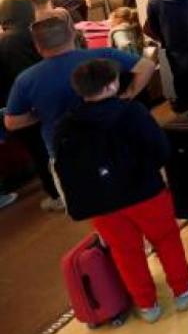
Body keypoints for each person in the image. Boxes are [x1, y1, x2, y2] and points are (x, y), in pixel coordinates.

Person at [55, 59, 188, 322]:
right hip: (144, 192)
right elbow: (161, 150)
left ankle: (147, 305)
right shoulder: (132, 112)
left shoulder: (66, 126)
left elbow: (64, 169)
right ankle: (183, 291)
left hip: (101, 205)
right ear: (112, 83)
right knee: (166, 240)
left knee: (125, 252)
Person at [5, 16, 155, 209]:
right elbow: (147, 66)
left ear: (37, 46)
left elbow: (12, 122)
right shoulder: (102, 55)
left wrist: (40, 115)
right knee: (138, 196)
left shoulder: (26, 79)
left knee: (94, 208)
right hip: (116, 140)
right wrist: (128, 94)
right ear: (71, 35)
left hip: (67, 153)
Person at [0, 0, 56, 210]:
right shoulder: (36, 32)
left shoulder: (6, 41)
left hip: (23, 104)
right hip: (48, 96)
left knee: (40, 151)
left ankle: (56, 194)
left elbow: (18, 77)